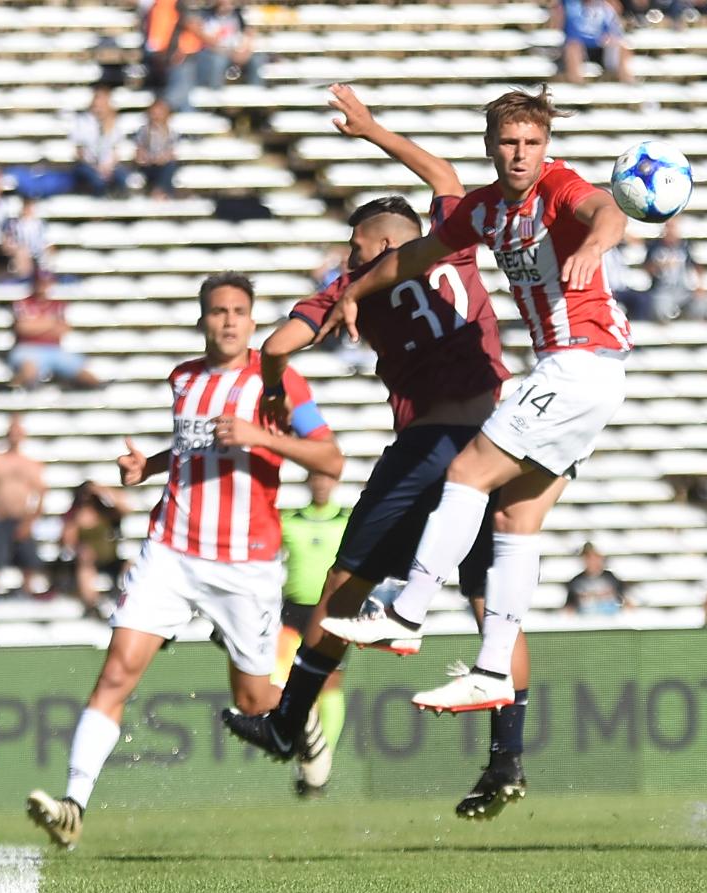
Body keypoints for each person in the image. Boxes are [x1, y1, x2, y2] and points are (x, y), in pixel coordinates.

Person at [221, 85, 531, 821]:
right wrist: (373, 132)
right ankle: (506, 760)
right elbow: (448, 179)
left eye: (353, 246)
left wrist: (270, 384)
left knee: (342, 589)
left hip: (428, 444)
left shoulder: (350, 286)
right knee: (497, 611)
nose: (344, 256)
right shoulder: (452, 239)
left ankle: (288, 720)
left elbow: (275, 346)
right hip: (501, 440)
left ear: (379, 244)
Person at [312, 86, 631, 719]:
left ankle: (406, 612)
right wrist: (353, 292)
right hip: (579, 375)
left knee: (467, 473)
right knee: (516, 521)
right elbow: (418, 254)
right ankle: (491, 671)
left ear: (547, 147)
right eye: (509, 143)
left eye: (532, 143)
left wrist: (596, 244)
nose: (521, 155)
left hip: (581, 361)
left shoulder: (558, 187)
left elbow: (606, 211)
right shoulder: (484, 211)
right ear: (490, 146)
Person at [26, 272, 344, 849]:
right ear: (202, 320)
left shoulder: (279, 381)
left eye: (238, 311)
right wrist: (146, 467)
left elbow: (330, 458)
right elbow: (190, 448)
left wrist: (261, 436)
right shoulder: (184, 378)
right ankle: (73, 803)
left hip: (245, 561)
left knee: (253, 701)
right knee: (117, 670)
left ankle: (304, 725)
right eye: (217, 310)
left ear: (252, 320)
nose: (227, 320)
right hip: (171, 549)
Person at [276, 470, 349, 792]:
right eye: (316, 479)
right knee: (285, 684)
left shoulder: (347, 520)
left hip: (331, 610)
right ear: (308, 482)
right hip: (293, 612)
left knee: (330, 686)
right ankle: (303, 750)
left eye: (327, 479)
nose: (321, 484)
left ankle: (321, 761)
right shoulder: (288, 520)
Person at [0, 414, 45, 599]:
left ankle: (28, 594)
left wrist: (30, 520)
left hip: (21, 518)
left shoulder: (30, 464)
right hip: (0, 518)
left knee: (30, 561)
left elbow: (41, 494)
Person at [8, 269, 101, 390]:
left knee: (88, 376)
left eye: (45, 282)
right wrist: (50, 323)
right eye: (40, 282)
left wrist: (37, 324)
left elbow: (62, 330)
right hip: (28, 348)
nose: (42, 286)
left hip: (54, 349)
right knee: (29, 371)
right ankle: (19, 396)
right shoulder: (23, 303)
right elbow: (23, 329)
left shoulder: (58, 304)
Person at [59, 481, 129, 613]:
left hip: (111, 559)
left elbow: (125, 508)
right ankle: (92, 605)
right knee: (85, 568)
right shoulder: (74, 516)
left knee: (131, 566)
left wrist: (102, 490)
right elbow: (67, 542)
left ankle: (127, 600)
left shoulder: (106, 512)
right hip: (88, 561)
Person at [554, 0, 635, 84]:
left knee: (623, 45)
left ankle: (628, 84)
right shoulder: (569, 5)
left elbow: (615, 33)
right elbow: (557, 28)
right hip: (578, 49)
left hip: (600, 49)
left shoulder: (605, 8)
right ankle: (578, 86)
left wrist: (608, 39)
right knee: (573, 47)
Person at [642, 218, 707, 321]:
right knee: (660, 306)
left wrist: (700, 284)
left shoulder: (686, 246)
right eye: (668, 227)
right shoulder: (655, 246)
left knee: (700, 303)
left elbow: (696, 266)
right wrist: (660, 266)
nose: (670, 231)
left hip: (684, 290)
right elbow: (647, 268)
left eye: (673, 227)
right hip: (662, 290)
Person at [71, 84, 129, 197]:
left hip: (108, 165)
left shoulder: (114, 122)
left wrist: (108, 166)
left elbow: (115, 150)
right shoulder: (82, 121)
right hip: (88, 164)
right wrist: (95, 166)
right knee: (97, 181)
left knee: (123, 178)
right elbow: (79, 151)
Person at [196, 0, 264, 88]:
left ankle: (256, 91)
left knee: (257, 59)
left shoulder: (238, 15)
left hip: (237, 51)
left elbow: (248, 33)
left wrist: (245, 51)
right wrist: (228, 52)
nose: (227, 3)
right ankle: (215, 91)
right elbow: (207, 41)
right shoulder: (207, 16)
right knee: (218, 61)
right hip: (216, 52)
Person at [563, 542, 631, 615]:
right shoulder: (576, 581)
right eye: (588, 557)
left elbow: (626, 601)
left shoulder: (611, 578)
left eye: (595, 557)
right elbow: (569, 606)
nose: (592, 561)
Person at [134, 98, 179, 199]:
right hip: (148, 166)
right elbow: (139, 152)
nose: (156, 116)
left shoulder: (171, 133)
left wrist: (162, 158)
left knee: (169, 166)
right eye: (154, 113)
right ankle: (160, 193)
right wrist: (147, 158)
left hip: (163, 165)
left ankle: (159, 192)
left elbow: (172, 152)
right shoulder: (144, 131)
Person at [2, 195, 49, 281]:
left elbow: (47, 244)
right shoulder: (13, 224)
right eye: (26, 207)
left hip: (37, 255)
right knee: (22, 252)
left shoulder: (41, 225)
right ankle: (25, 280)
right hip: (17, 255)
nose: (28, 210)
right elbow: (6, 244)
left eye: (30, 207)